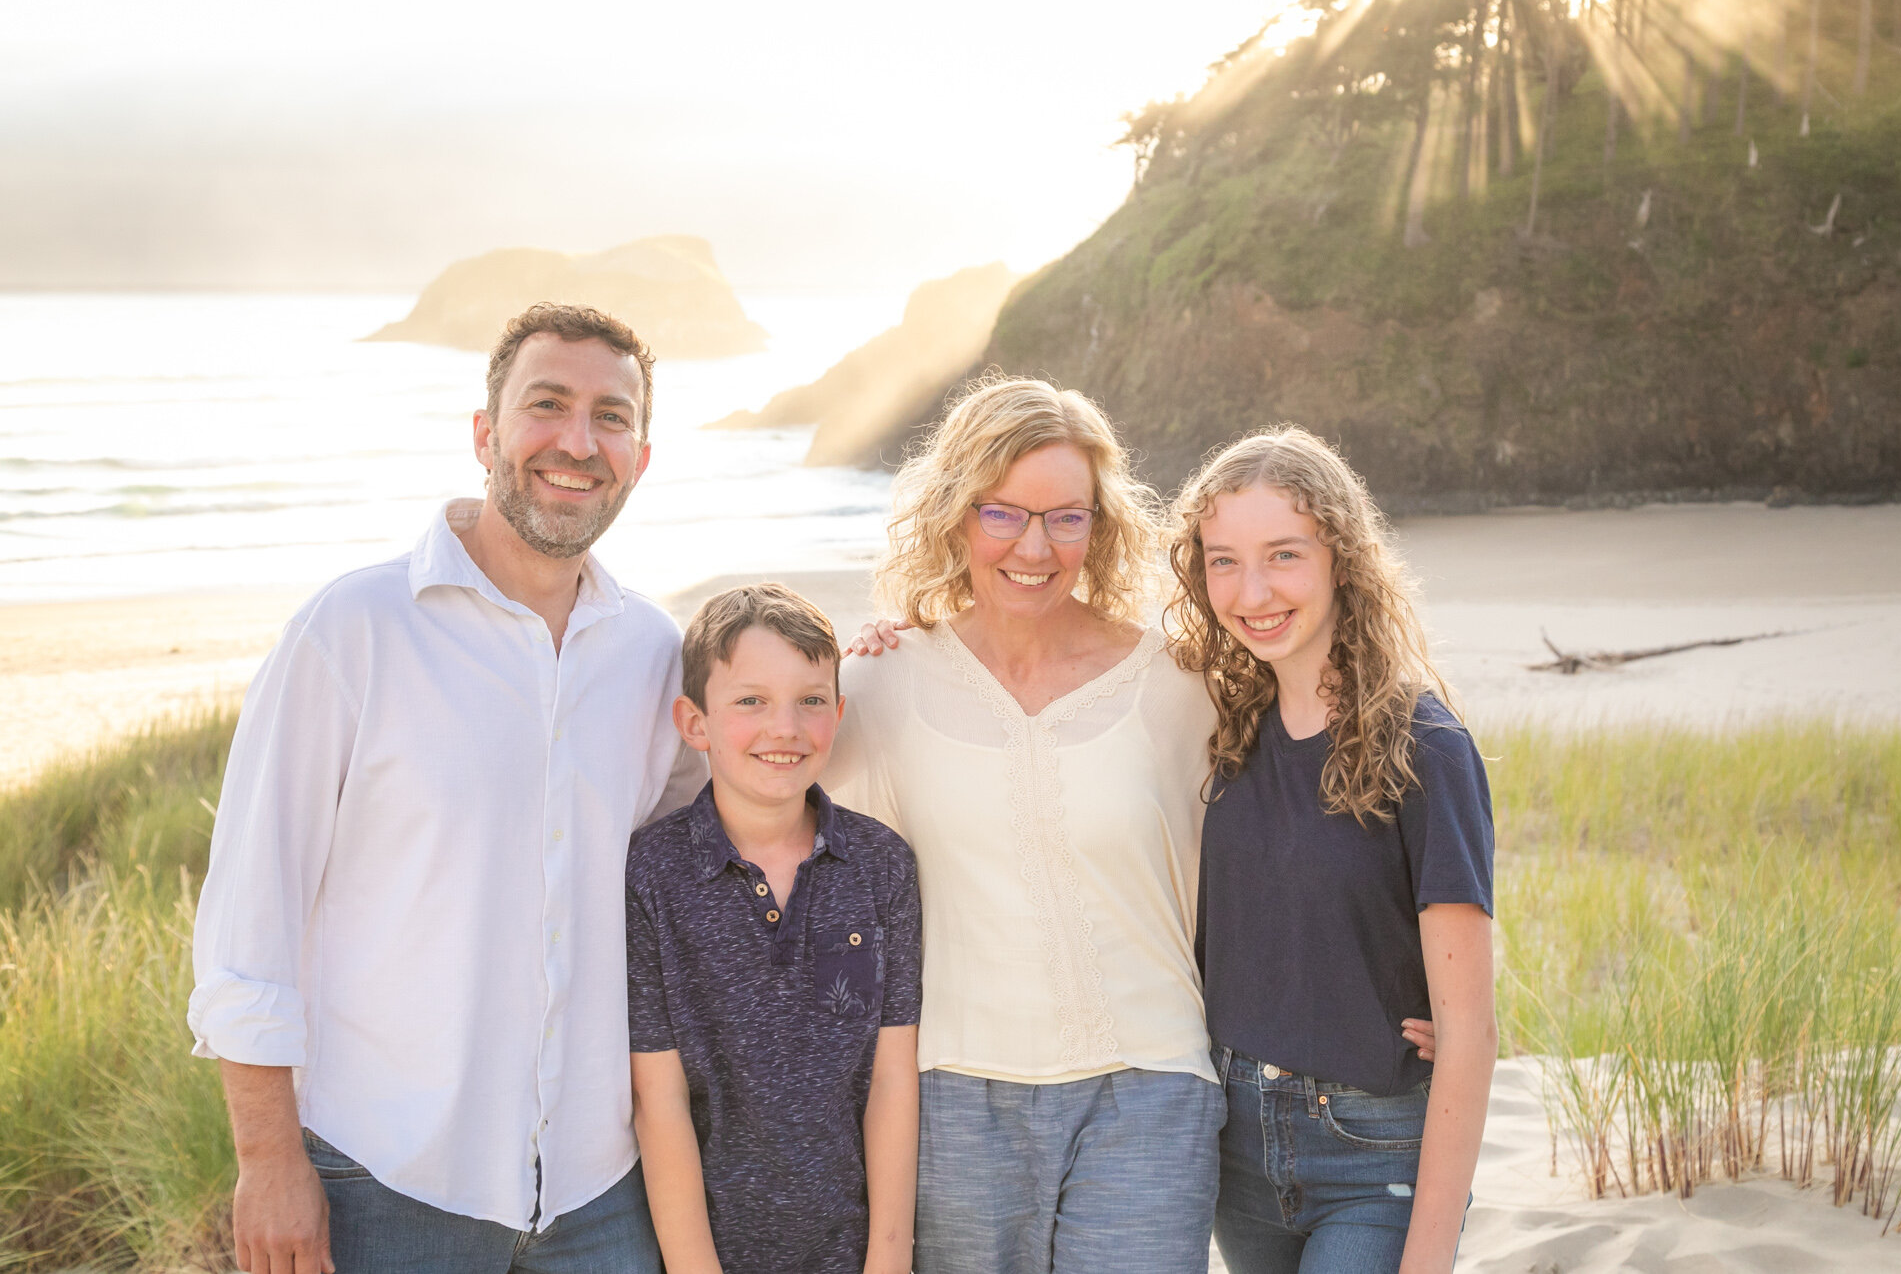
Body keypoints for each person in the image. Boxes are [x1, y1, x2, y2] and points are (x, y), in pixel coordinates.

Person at [188, 303, 705, 1274]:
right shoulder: (354, 630)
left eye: (610, 416)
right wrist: (267, 1161)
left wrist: (886, 662)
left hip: (601, 1187)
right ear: (485, 435)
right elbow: (250, 917)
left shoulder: (654, 656)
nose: (576, 441)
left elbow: (736, 820)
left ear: (638, 455)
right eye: (545, 404)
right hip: (386, 1177)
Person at [822, 376, 1222, 1274]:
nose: (1035, 547)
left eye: (1066, 518)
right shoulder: (886, 683)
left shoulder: (1180, 682)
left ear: (1100, 523)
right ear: (956, 514)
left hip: (1151, 1086)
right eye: (1003, 514)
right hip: (954, 1097)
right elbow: (769, 811)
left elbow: (1285, 838)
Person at [1166, 427, 1497, 1274]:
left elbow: (1467, 1028)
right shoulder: (1220, 729)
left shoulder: (1426, 745)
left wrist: (1427, 1257)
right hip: (1237, 1145)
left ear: (1341, 558)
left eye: (1283, 554)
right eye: (1223, 561)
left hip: (1373, 1145)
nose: (1253, 591)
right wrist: (910, 638)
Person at [626, 583, 921, 1274]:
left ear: (840, 712)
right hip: (707, 1250)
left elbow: (891, 1078)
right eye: (750, 700)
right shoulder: (652, 873)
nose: (784, 727)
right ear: (694, 722)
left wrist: (889, 1258)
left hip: (855, 1249)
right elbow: (658, 1096)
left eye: (811, 700)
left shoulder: (880, 865)